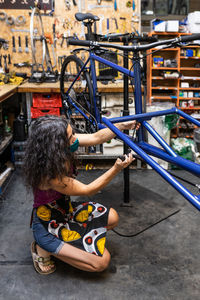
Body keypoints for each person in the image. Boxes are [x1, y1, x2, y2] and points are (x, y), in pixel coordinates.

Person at [23, 114, 139, 274]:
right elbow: (88, 190)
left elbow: (96, 137)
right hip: (48, 224)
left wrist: (120, 127)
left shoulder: (59, 149)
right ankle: (43, 247)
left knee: (112, 218)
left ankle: (70, 242)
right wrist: (116, 169)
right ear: (56, 145)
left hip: (66, 210)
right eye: (70, 137)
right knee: (101, 263)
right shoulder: (49, 176)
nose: (75, 139)